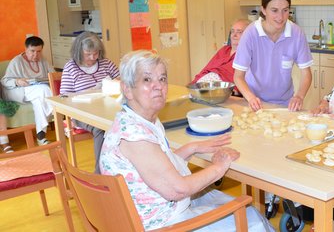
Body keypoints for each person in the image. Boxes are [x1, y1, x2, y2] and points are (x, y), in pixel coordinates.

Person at [99, 51, 274, 231]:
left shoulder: (134, 120)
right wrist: (219, 167)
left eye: (162, 79)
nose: (158, 86)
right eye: (147, 80)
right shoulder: (135, 136)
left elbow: (156, 166)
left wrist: (192, 147)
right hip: (165, 224)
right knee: (253, 219)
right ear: (127, 88)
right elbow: (178, 189)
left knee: (242, 208)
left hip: (156, 213)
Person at [233, 0, 313, 112]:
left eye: (285, 10)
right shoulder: (251, 34)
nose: (280, 17)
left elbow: (306, 73)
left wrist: (299, 96)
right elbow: (238, 76)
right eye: (274, 10)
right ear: (263, 10)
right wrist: (251, 98)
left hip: (285, 104)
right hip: (255, 102)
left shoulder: (296, 33)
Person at [60, 31, 120, 173]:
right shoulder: (71, 67)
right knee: (101, 127)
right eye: (88, 54)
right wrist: (88, 92)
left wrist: (113, 83)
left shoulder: (106, 63)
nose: (93, 58)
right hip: (81, 113)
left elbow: (122, 82)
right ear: (79, 52)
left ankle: (120, 167)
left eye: (96, 53)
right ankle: (100, 173)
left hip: (108, 109)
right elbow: (63, 97)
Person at [1, 36, 54, 145]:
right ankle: (54, 110)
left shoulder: (43, 60)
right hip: (16, 91)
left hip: (36, 93)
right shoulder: (17, 61)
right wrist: (17, 81)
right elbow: (5, 81)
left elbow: (53, 75)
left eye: (39, 51)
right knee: (44, 89)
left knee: (39, 101)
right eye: (32, 51)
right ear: (26, 49)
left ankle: (41, 136)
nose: (36, 55)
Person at [191, 19, 250, 86]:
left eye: (239, 32)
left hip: (224, 91)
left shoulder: (246, 54)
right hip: (202, 87)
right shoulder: (224, 50)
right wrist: (193, 84)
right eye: (232, 31)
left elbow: (240, 79)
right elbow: (206, 69)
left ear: (248, 35)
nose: (234, 35)